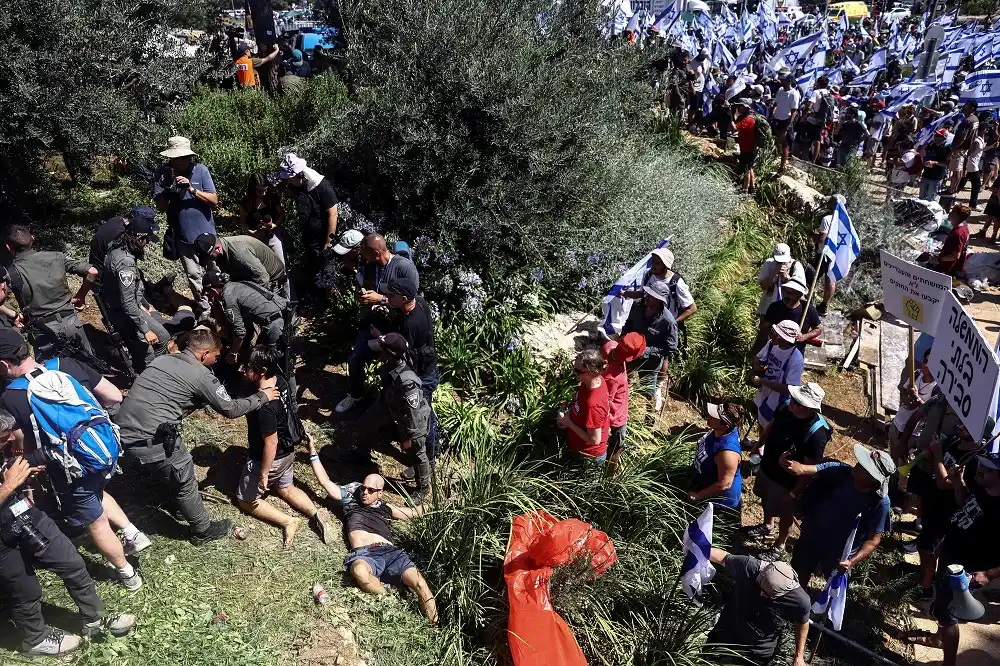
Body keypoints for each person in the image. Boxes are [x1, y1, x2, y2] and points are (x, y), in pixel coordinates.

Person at [0, 330, 148, 591]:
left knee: (96, 522)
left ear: (3, 365)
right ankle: (132, 533)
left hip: (70, 466)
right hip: (103, 449)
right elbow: (114, 396)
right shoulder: (65, 364)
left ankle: (128, 575)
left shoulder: (11, 396)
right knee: (96, 491)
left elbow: (23, 445)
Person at [114, 329, 278, 544]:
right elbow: (231, 409)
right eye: (216, 357)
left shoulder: (163, 360)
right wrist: (262, 396)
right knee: (184, 479)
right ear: (204, 354)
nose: (216, 361)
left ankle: (181, 505)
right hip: (153, 440)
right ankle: (202, 530)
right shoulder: (201, 375)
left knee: (170, 472)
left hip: (122, 435)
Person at [0, 441, 137, 657]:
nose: (7, 440)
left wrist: (13, 470)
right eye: (2, 437)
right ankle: (35, 640)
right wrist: (7, 486)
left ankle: (95, 619)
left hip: (24, 513)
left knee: (71, 562)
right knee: (24, 590)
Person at [306, 442, 438, 623]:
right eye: (363, 488)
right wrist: (313, 452)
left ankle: (434, 626)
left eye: (371, 490)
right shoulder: (351, 500)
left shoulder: (386, 508)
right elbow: (325, 483)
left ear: (380, 493)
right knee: (359, 572)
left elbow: (414, 512)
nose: (365, 492)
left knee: (421, 584)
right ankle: (389, 594)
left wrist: (437, 506)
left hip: (391, 553)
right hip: (365, 553)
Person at [907, 451, 1000, 666]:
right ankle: (938, 638)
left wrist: (988, 574)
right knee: (941, 604)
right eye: (982, 466)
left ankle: (948, 662)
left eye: (988, 469)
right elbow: (965, 503)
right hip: (951, 557)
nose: (980, 470)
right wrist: (958, 482)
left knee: (948, 614)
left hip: (966, 571)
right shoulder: (982, 487)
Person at [236, 346, 331, 549]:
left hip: (272, 458)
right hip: (288, 452)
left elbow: (270, 443)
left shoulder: (265, 406)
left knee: (246, 500)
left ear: (261, 370)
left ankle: (288, 521)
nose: (242, 370)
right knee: (285, 488)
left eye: (247, 367)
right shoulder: (280, 380)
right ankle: (316, 514)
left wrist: (263, 474)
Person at [781, 444, 894, 586]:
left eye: (865, 466)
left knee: (833, 586)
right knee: (799, 572)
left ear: (874, 479)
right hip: (812, 535)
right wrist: (793, 465)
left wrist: (851, 562)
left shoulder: (880, 503)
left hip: (839, 554)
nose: (858, 464)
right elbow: (806, 469)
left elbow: (873, 540)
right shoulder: (841, 472)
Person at [335, 234, 420, 414]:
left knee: (394, 371)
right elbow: (368, 286)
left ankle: (391, 408)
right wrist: (365, 294)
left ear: (375, 252)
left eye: (364, 253)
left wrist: (381, 299)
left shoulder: (404, 268)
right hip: (374, 325)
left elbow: (411, 300)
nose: (362, 256)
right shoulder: (370, 266)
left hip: (396, 330)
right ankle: (356, 395)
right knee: (355, 360)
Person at [103, 216, 194, 373]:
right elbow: (128, 303)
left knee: (163, 337)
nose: (148, 244)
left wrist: (145, 305)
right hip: (124, 313)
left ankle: (155, 369)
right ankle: (147, 374)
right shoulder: (125, 263)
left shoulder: (119, 249)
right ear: (140, 239)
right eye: (147, 239)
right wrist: (146, 330)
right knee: (148, 350)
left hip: (132, 308)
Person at [750, 382, 830, 559]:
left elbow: (809, 470)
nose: (792, 403)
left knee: (786, 514)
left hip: (787, 482)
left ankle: (780, 545)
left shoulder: (817, 434)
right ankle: (768, 525)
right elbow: (771, 426)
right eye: (793, 398)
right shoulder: (785, 407)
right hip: (768, 466)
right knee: (765, 497)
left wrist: (794, 493)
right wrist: (758, 445)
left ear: (809, 408)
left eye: (798, 402)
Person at [351, 333, 433, 504]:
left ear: (390, 354)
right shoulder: (389, 365)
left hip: (411, 418)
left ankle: (423, 488)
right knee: (365, 424)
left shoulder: (407, 382)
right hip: (390, 405)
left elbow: (414, 413)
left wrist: (410, 438)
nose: (377, 352)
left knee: (417, 451)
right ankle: (362, 456)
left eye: (381, 350)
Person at [5, 224, 97, 361]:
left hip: (44, 331)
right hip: (72, 323)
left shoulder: (12, 272)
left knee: (53, 373)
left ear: (8, 247)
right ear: (33, 238)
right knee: (88, 368)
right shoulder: (57, 256)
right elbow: (92, 272)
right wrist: (81, 295)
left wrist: (13, 314)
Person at [704, 549, 810, 666]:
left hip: (757, 653)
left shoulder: (800, 601)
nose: (761, 594)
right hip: (725, 635)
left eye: (767, 594)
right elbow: (724, 557)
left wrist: (799, 656)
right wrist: (696, 549)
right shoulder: (749, 567)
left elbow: (802, 624)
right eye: (760, 587)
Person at [153, 136, 219, 315]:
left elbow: (214, 200)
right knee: (194, 274)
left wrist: (192, 189)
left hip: (206, 234)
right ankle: (205, 309)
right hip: (182, 235)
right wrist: (168, 191)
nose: (181, 161)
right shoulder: (162, 174)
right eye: (176, 158)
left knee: (214, 271)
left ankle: (221, 306)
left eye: (184, 157)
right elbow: (161, 207)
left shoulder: (201, 170)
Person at [384, 275, 439, 464]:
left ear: (404, 298)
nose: (387, 297)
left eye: (391, 295)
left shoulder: (411, 324)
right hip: (428, 368)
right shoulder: (420, 302)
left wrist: (383, 338)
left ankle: (428, 458)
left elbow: (404, 353)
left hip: (422, 376)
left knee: (423, 417)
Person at [273, 153, 338, 304]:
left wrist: (329, 242)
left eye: (290, 179)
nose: (288, 182)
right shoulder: (300, 185)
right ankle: (316, 301)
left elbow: (333, 214)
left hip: (324, 239)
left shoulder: (322, 187)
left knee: (327, 271)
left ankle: (332, 307)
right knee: (314, 270)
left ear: (300, 175)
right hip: (310, 238)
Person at [620, 247, 696, 350]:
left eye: (657, 263)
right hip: (645, 320)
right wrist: (624, 293)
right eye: (653, 262)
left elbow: (692, 308)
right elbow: (643, 294)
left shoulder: (676, 283)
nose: (653, 266)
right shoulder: (648, 274)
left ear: (665, 265)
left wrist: (672, 323)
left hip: (662, 326)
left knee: (658, 352)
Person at [202, 271, 286, 363]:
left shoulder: (228, 298)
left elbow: (239, 333)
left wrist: (233, 353)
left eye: (208, 293)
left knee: (265, 360)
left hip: (274, 323)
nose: (209, 296)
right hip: (284, 312)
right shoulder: (239, 284)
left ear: (213, 290)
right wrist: (216, 305)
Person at [620, 281, 678, 412]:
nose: (647, 297)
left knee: (648, 392)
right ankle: (623, 409)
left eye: (652, 296)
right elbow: (629, 323)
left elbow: (670, 347)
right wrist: (624, 337)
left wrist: (646, 351)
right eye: (648, 294)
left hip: (650, 362)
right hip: (629, 353)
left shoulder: (668, 321)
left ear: (660, 300)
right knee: (622, 380)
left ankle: (649, 417)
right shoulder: (637, 305)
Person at [600, 333, 646, 473]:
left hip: (617, 412)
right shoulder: (614, 378)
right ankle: (609, 476)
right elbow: (605, 402)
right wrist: (606, 425)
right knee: (616, 448)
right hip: (616, 419)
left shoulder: (610, 346)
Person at [194, 232, 287, 298]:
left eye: (209, 257)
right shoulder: (221, 253)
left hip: (272, 278)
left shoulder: (239, 252)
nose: (210, 260)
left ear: (217, 248)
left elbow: (263, 277)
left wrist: (249, 298)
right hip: (254, 277)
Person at [557, 349, 610, 465]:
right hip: (579, 448)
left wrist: (569, 423)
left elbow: (594, 440)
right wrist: (569, 413)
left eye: (577, 371)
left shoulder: (593, 405)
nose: (574, 373)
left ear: (592, 372)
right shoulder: (596, 381)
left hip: (588, 457)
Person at [689, 402, 746, 509]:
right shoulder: (720, 430)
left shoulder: (727, 453)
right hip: (705, 481)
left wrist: (698, 495)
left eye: (714, 416)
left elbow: (724, 484)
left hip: (719, 499)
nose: (709, 416)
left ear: (725, 425)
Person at [751, 321, 805, 428]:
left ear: (785, 339)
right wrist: (757, 366)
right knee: (760, 421)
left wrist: (763, 381)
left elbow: (790, 389)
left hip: (777, 401)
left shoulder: (796, 359)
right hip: (763, 392)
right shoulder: (772, 344)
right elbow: (758, 358)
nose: (772, 336)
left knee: (768, 426)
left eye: (777, 334)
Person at [755, 243, 807, 344]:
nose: (781, 263)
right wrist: (774, 273)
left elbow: (800, 289)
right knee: (764, 331)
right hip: (768, 305)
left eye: (784, 261)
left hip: (787, 306)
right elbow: (763, 286)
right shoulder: (769, 264)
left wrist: (786, 278)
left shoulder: (796, 266)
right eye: (779, 261)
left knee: (783, 334)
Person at [238, 173, 289, 271]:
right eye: (260, 191)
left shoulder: (272, 198)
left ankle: (283, 280)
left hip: (272, 235)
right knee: (260, 267)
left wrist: (274, 225)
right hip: (255, 237)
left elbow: (282, 216)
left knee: (280, 265)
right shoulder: (246, 202)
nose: (263, 193)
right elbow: (243, 222)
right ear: (253, 189)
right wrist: (251, 232)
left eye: (265, 190)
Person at [762, 276, 822, 353]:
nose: (786, 295)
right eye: (784, 291)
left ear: (799, 294)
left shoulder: (808, 309)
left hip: (795, 350)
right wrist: (773, 331)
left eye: (790, 293)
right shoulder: (775, 307)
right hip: (774, 349)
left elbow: (818, 329)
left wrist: (804, 337)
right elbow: (764, 326)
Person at [947, 100, 979, 195]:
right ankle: (954, 188)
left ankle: (951, 189)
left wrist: (953, 149)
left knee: (956, 170)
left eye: (966, 105)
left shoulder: (967, 121)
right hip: (966, 148)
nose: (964, 106)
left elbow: (961, 138)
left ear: (972, 108)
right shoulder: (975, 119)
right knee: (959, 169)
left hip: (960, 148)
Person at [771, 73, 801, 173]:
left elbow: (794, 112)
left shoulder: (794, 94)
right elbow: (776, 104)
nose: (781, 81)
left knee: (785, 145)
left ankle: (782, 167)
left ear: (789, 81)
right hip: (776, 119)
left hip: (785, 121)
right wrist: (772, 114)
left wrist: (786, 128)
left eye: (783, 80)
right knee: (774, 141)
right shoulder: (780, 90)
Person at [931, 204, 972, 276]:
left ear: (957, 216)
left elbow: (955, 256)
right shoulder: (964, 227)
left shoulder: (957, 233)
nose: (950, 213)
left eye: (952, 212)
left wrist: (938, 259)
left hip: (947, 268)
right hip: (955, 265)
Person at [802, 75, 833, 164]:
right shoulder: (829, 94)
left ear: (819, 83)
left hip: (812, 119)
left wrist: (803, 117)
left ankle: (804, 157)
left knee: (804, 138)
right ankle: (813, 161)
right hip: (822, 121)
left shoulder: (816, 92)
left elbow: (809, 106)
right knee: (817, 141)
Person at [919, 129, 952, 202]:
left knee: (931, 200)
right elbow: (924, 157)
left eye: (938, 135)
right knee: (921, 198)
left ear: (944, 137)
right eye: (935, 135)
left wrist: (935, 163)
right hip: (926, 175)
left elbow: (948, 163)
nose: (936, 137)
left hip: (936, 178)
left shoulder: (947, 148)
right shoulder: (931, 145)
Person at [734, 100, 758, 194]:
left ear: (746, 107)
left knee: (746, 169)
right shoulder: (751, 117)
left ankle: (745, 190)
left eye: (740, 106)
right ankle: (752, 187)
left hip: (747, 148)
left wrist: (731, 116)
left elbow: (734, 128)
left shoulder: (747, 120)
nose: (739, 107)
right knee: (750, 167)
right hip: (752, 147)